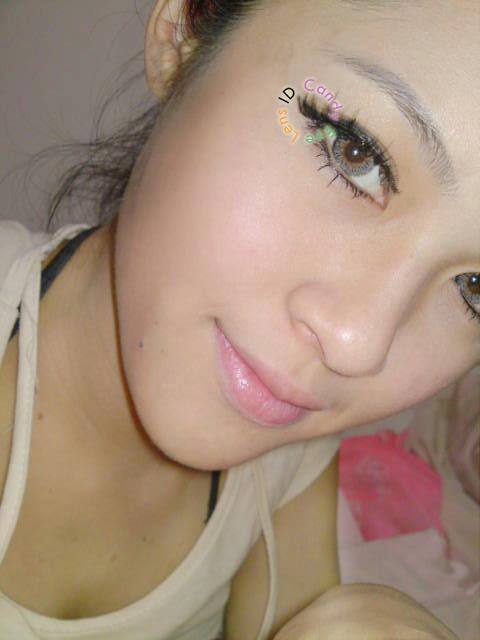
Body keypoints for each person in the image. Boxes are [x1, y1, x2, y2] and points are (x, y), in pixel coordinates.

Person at [0, 0, 478, 638]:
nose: (357, 346)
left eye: (475, 289)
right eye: (354, 151)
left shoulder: (291, 461)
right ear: (183, 35)